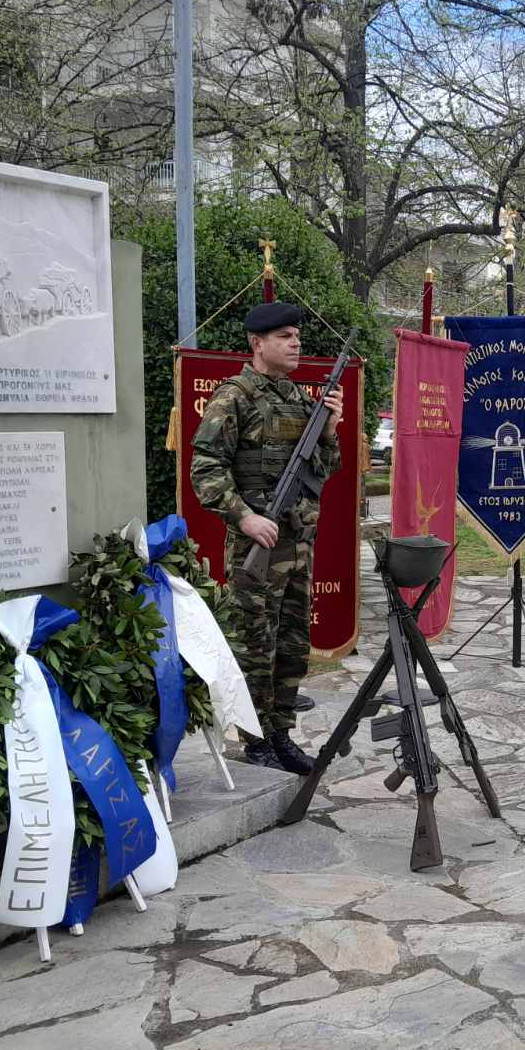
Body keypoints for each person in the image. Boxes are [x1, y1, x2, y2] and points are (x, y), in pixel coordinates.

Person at [190, 302, 343, 771]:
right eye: (284, 337)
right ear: (258, 344)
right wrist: (245, 518)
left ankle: (281, 736)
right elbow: (205, 469)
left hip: (296, 545)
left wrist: (329, 431)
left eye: (297, 335)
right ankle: (256, 744)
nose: (296, 343)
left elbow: (322, 472)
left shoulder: (300, 399)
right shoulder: (233, 397)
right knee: (256, 647)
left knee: (293, 647)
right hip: (256, 546)